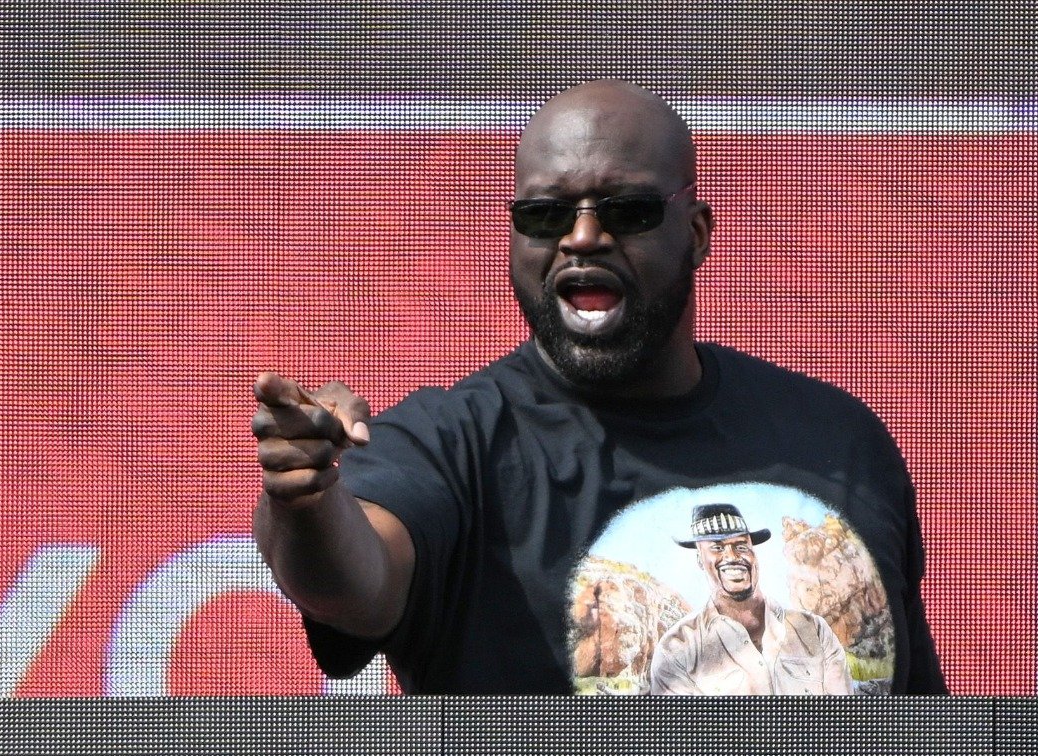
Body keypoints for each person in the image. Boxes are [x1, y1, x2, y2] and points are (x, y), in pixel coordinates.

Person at [250, 80, 946, 694]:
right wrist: (305, 498)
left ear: (696, 234)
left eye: (627, 209)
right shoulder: (451, 446)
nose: (583, 237)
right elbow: (353, 584)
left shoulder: (838, 441)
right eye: (546, 214)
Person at [648, 503, 853, 695]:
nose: (732, 556)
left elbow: (843, 715)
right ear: (700, 560)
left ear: (754, 553)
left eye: (741, 546)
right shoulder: (676, 649)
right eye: (717, 547)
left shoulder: (814, 631)